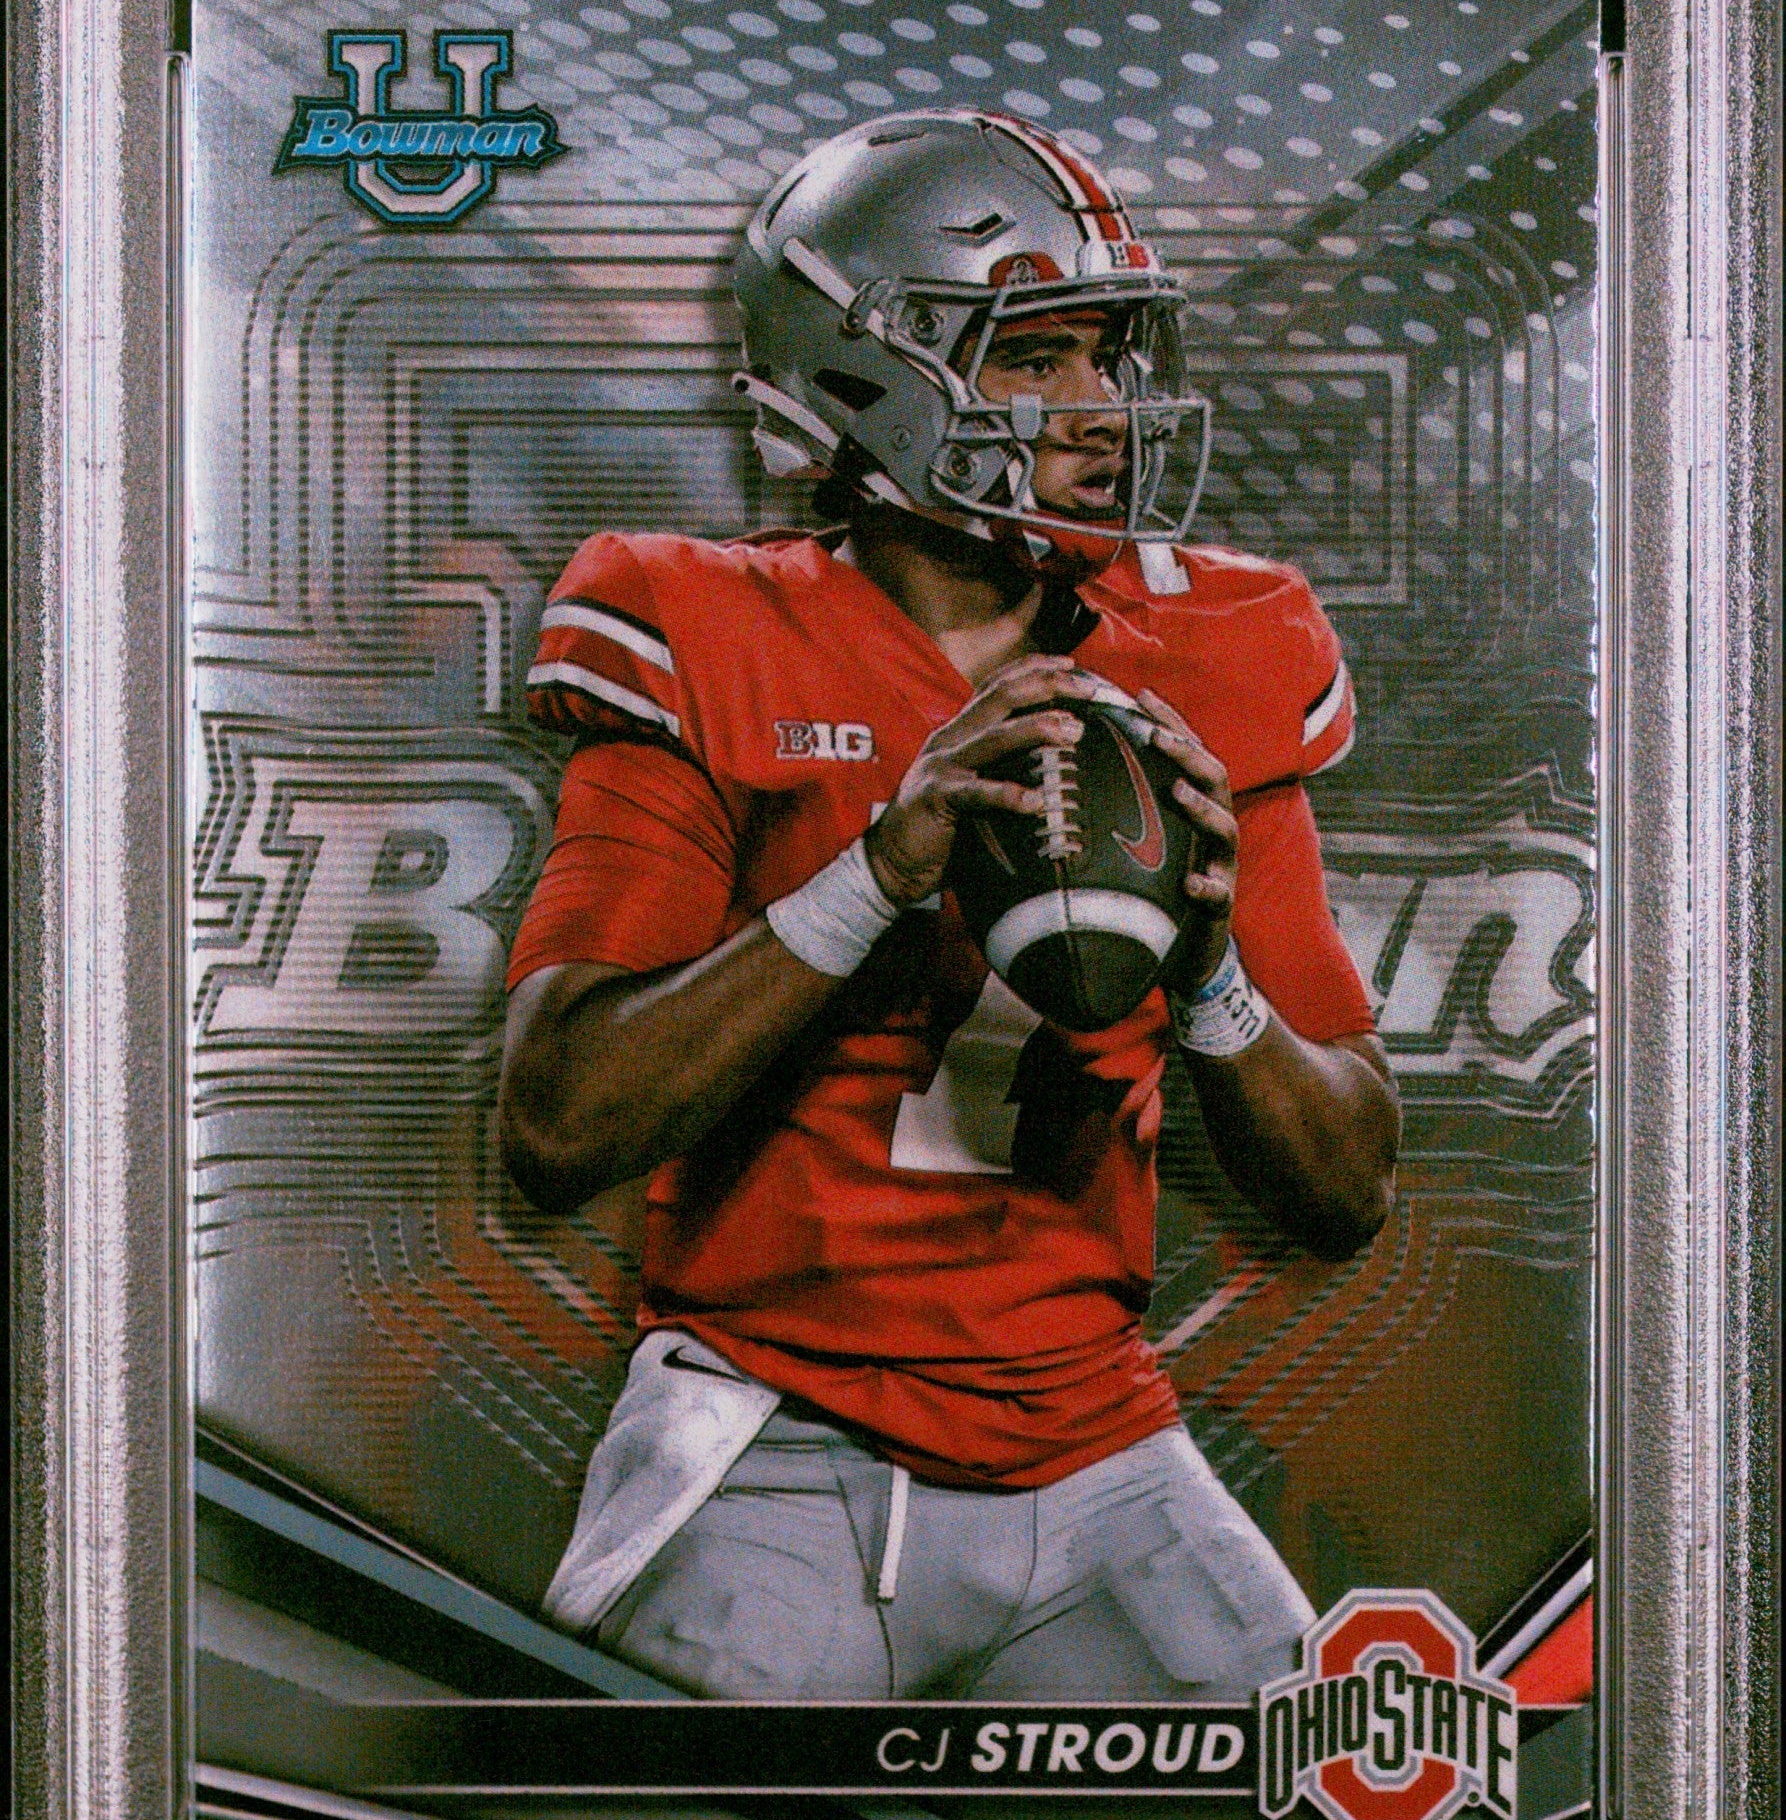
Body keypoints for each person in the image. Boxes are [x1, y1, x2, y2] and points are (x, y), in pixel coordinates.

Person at [499, 110, 1399, 1703]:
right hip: (776, 1430)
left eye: (1106, 355)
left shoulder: (1223, 644)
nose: (1099, 409)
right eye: (1033, 358)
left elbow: (1345, 1184)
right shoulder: (695, 620)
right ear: (863, 381)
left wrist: (1212, 981)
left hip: (1097, 1431)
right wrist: (876, 875)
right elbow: (559, 1124)